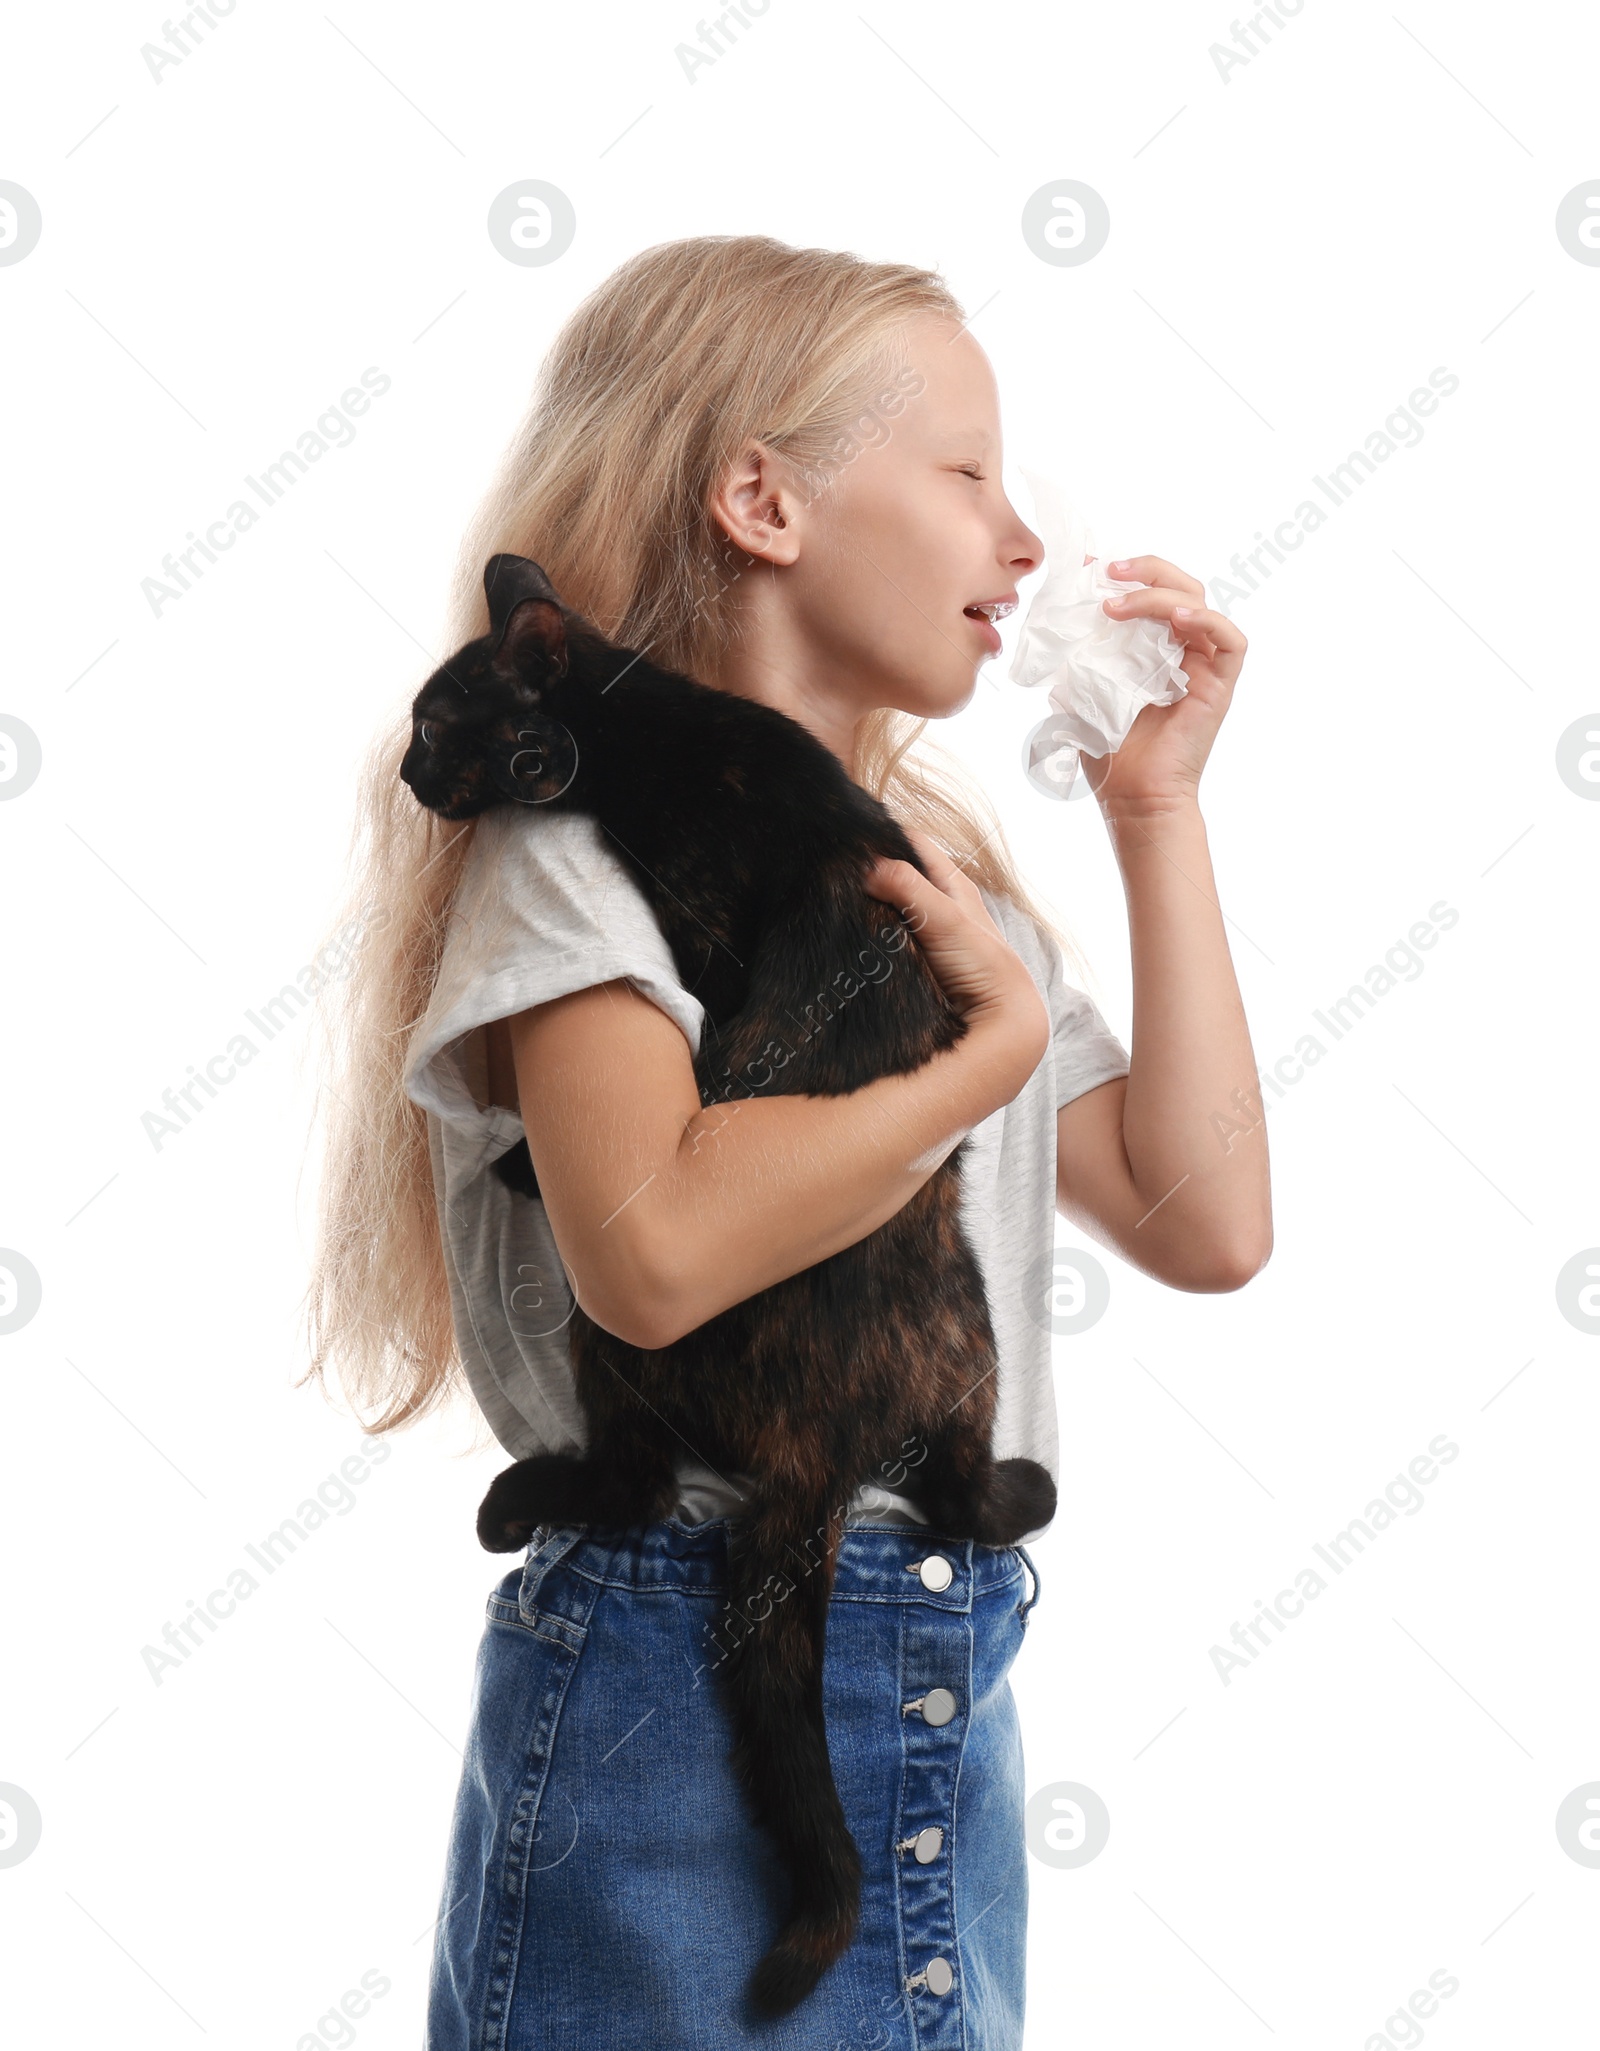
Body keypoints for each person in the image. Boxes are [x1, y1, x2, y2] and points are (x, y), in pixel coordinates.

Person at [301, 233, 1271, 2049]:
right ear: (763, 499)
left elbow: (1200, 1211)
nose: (1023, 534)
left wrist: (1158, 816)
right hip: (684, 1678)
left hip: (935, 1663)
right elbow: (653, 1260)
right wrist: (967, 1074)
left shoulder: (933, 882)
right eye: (968, 468)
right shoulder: (575, 860)